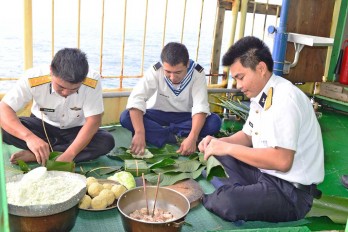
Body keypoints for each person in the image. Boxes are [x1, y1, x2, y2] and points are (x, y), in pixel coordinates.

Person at [198, 36, 324, 222]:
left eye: (241, 78)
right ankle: (248, 194)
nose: (238, 86)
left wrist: (228, 147)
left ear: (261, 69)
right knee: (218, 154)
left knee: (227, 202)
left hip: (291, 192)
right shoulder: (262, 96)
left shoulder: (284, 99)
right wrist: (216, 143)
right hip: (264, 174)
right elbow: (247, 136)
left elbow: (282, 161)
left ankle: (234, 195)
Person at [0, 48, 115, 165]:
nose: (65, 93)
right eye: (60, 87)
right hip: (42, 125)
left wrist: (70, 154)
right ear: (51, 71)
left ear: (83, 79)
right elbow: (4, 108)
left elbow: (94, 121)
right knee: (5, 129)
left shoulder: (92, 80)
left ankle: (39, 155)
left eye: (74, 89)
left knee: (106, 142)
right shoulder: (33, 78)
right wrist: (29, 138)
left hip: (76, 129)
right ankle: (46, 150)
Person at [120, 42, 221, 156]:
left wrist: (193, 137)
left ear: (187, 64)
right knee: (126, 116)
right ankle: (176, 138)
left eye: (178, 72)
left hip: (185, 117)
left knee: (214, 122)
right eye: (168, 72)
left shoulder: (197, 72)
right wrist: (139, 132)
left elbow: (200, 106)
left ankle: (162, 135)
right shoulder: (156, 70)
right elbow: (137, 99)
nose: (173, 77)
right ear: (163, 65)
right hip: (158, 114)